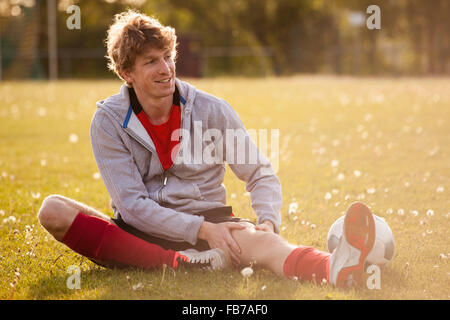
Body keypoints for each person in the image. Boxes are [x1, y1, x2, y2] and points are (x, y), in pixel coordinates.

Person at [37, 10, 376, 288]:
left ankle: (335, 267)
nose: (166, 68)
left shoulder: (213, 109)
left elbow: (259, 172)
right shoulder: (108, 121)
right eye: (151, 62)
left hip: (211, 222)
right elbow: (133, 206)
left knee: (267, 244)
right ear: (127, 73)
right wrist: (200, 232)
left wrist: (268, 222)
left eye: (168, 57)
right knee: (52, 210)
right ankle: (180, 263)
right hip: (143, 232)